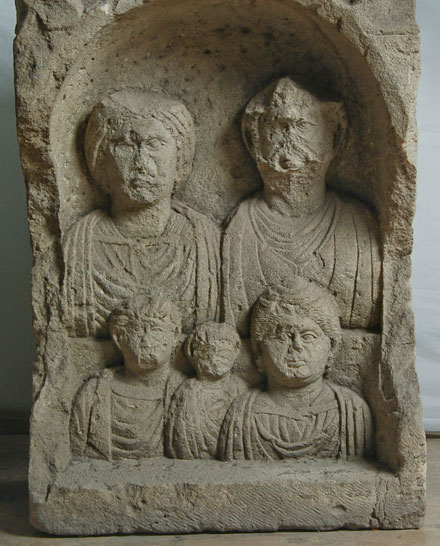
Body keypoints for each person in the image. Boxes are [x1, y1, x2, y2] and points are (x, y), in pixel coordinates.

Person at [222, 76, 381, 336]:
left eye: (303, 124)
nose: (289, 136)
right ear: (254, 142)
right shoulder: (238, 227)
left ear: (334, 137)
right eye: (276, 125)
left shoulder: (359, 227)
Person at [62, 89, 220, 337]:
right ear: (101, 160)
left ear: (180, 158)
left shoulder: (205, 240)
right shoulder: (79, 244)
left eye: (155, 144)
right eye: (125, 145)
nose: (141, 163)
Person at [218, 278, 374, 461]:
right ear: (259, 350)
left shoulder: (353, 412)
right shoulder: (241, 413)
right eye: (283, 336)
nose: (296, 346)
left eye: (308, 336)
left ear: (331, 349)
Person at [70, 292, 184, 460]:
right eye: (137, 330)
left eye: (156, 330)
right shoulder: (94, 393)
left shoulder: (184, 393)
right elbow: (76, 447)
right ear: (118, 337)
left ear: (174, 336)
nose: (146, 340)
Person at [165, 322, 246, 459]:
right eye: (207, 352)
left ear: (235, 351)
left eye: (223, 353)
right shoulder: (188, 391)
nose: (214, 359)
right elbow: (177, 436)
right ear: (193, 354)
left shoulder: (239, 389)